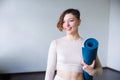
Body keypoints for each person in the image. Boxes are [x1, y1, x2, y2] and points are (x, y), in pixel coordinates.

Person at [45, 8, 102, 80]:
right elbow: (50, 70)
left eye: (71, 20)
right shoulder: (56, 43)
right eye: (64, 22)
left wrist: (92, 72)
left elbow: (100, 70)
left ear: (79, 22)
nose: (67, 25)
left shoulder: (86, 44)